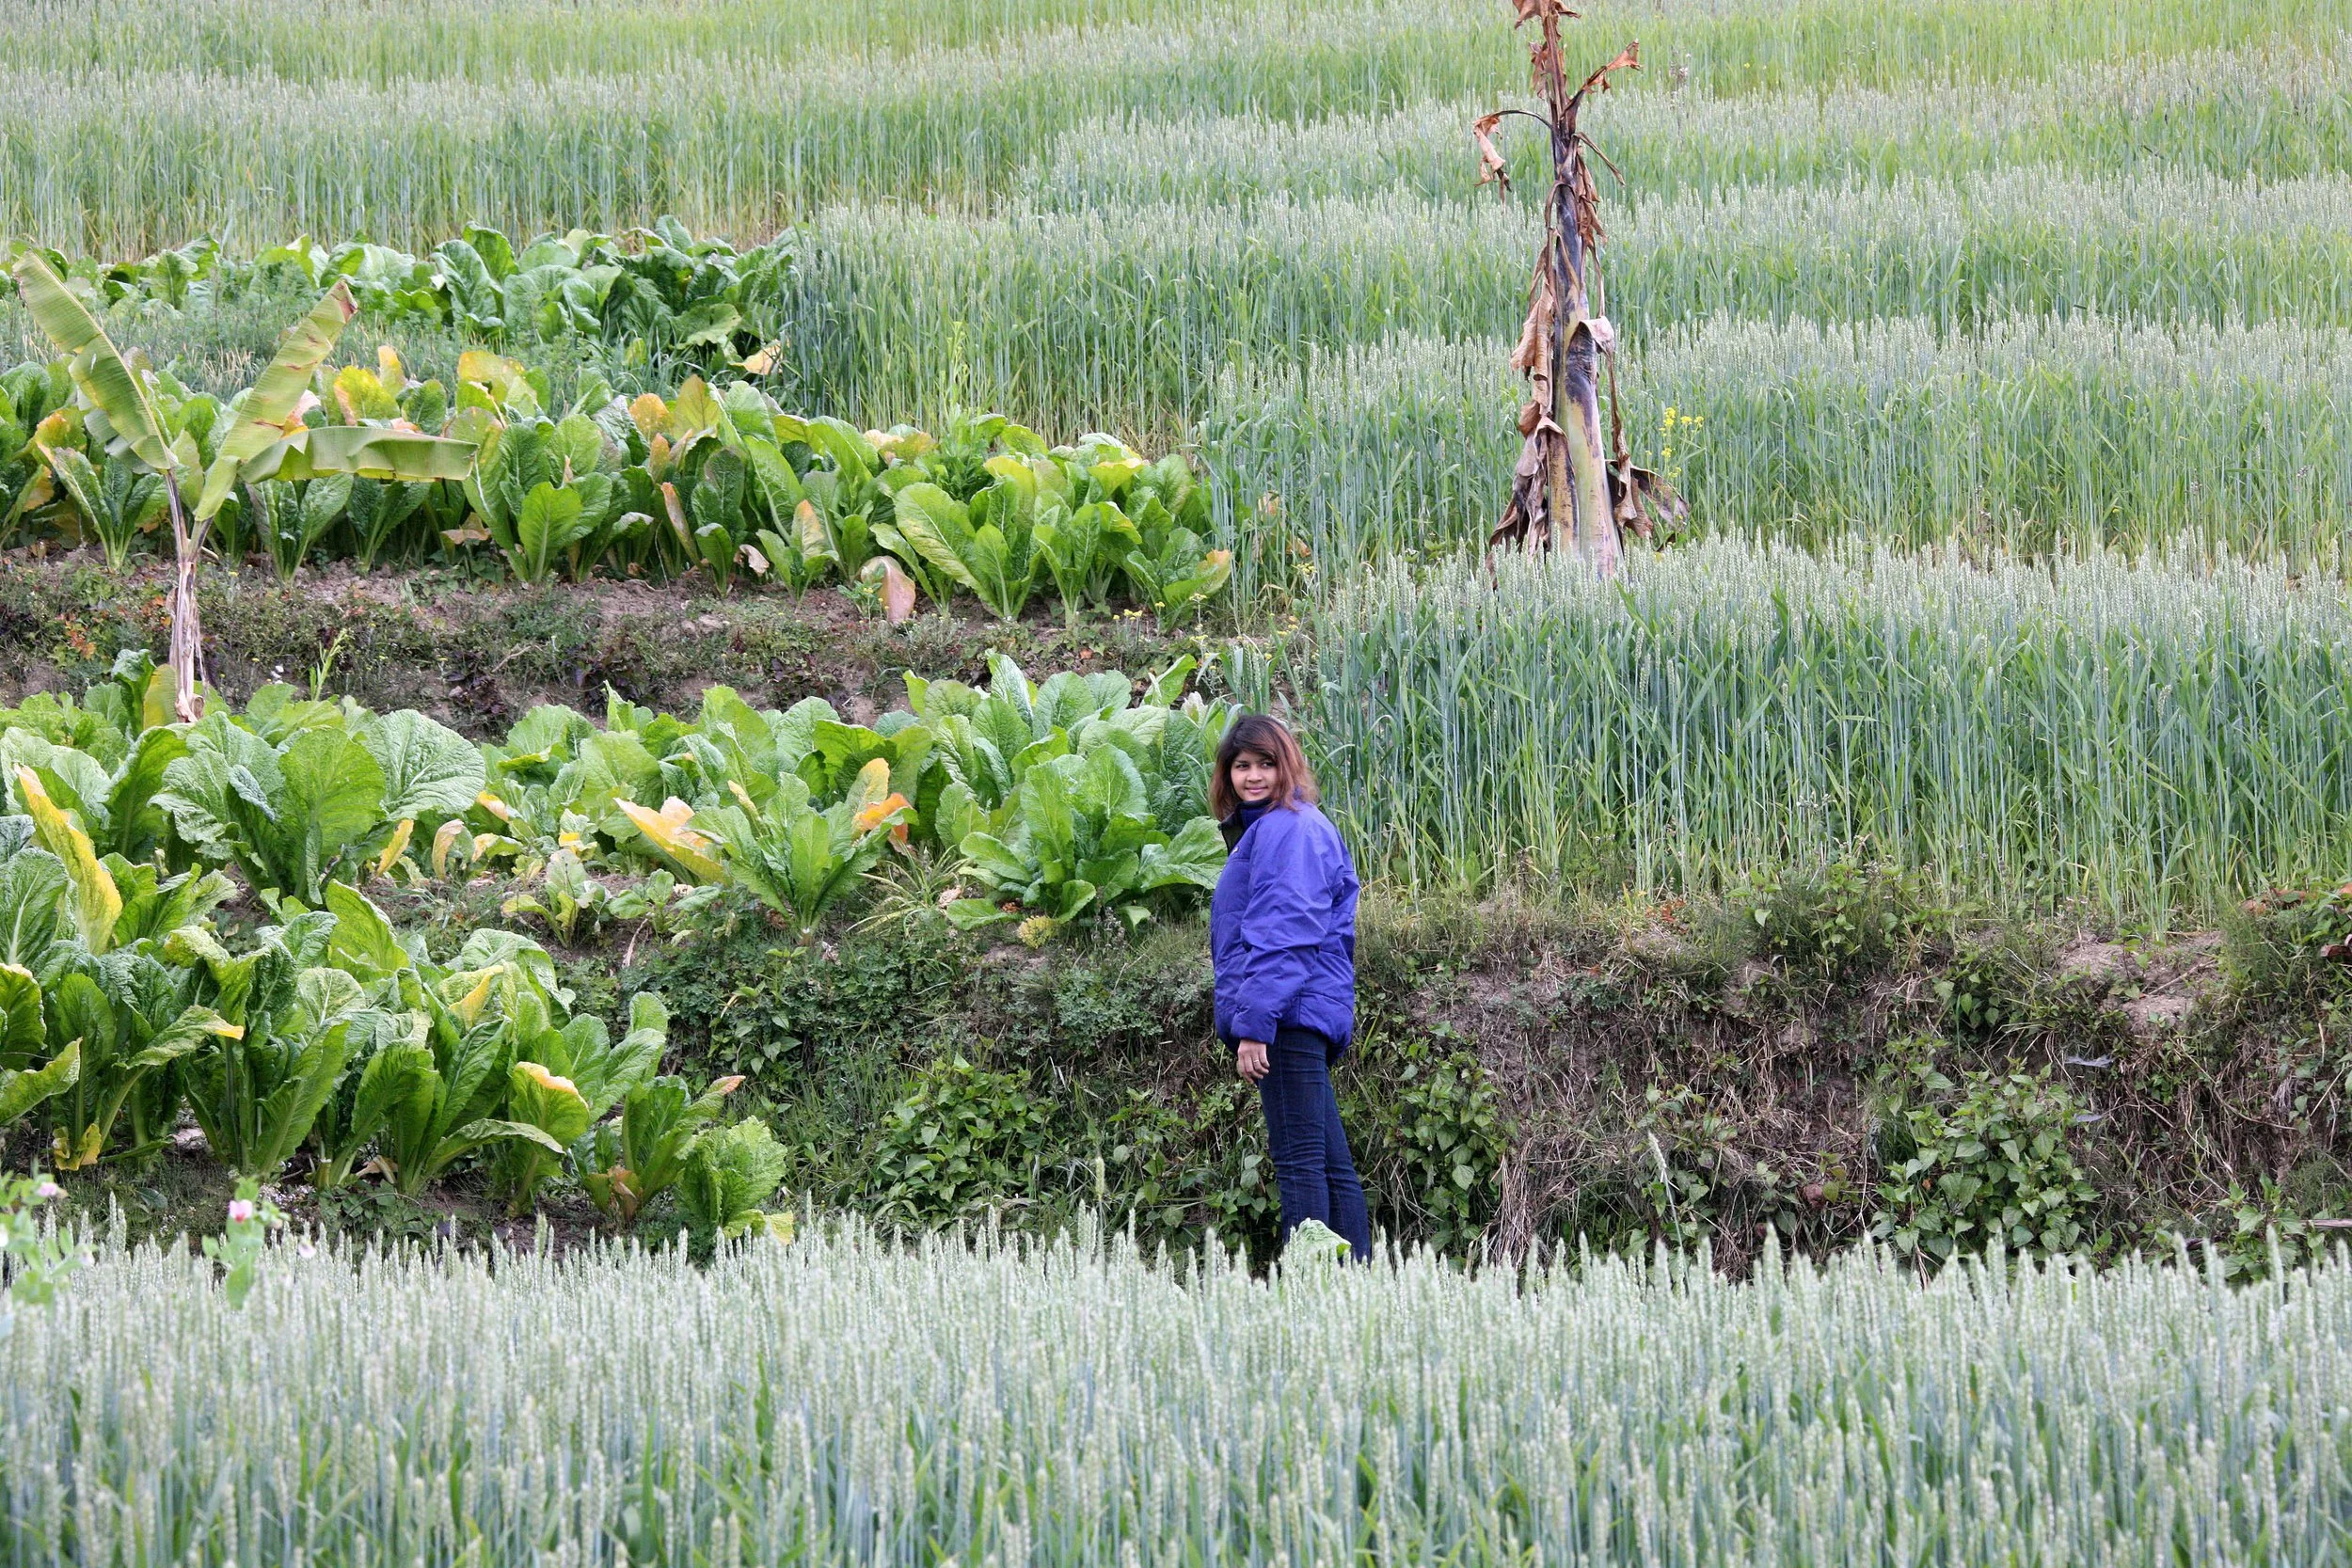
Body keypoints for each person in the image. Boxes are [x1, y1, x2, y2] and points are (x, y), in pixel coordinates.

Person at [1209, 713, 1371, 1261]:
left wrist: (1255, 1025)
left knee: (1302, 1164)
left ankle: (1309, 1297)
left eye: (1266, 763)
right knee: (1328, 1164)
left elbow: (1286, 932)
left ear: (1288, 766)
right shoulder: (1282, 826)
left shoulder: (1288, 828)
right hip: (1298, 1011)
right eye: (1241, 765)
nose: (1252, 776)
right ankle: (1355, 1285)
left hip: (1286, 1016)